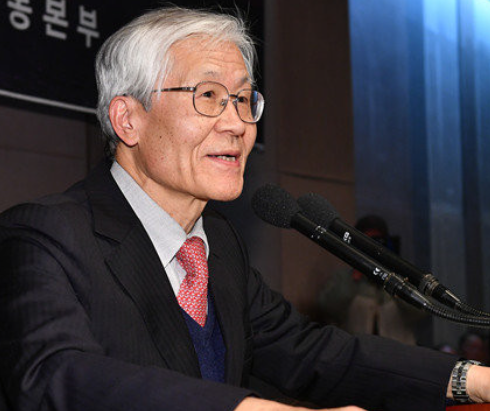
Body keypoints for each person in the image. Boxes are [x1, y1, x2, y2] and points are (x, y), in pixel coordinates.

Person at [1, 6, 490, 411]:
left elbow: (312, 353)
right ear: (128, 120)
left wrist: (472, 379)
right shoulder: (45, 237)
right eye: (209, 96)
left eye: (242, 98)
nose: (237, 123)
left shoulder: (218, 248)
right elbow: (56, 375)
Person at [319, 215, 425, 344]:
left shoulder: (403, 277)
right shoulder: (344, 277)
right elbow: (328, 308)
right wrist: (355, 276)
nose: (371, 248)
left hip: (399, 352)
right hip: (358, 352)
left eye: (376, 242)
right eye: (365, 242)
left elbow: (420, 311)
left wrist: (395, 282)